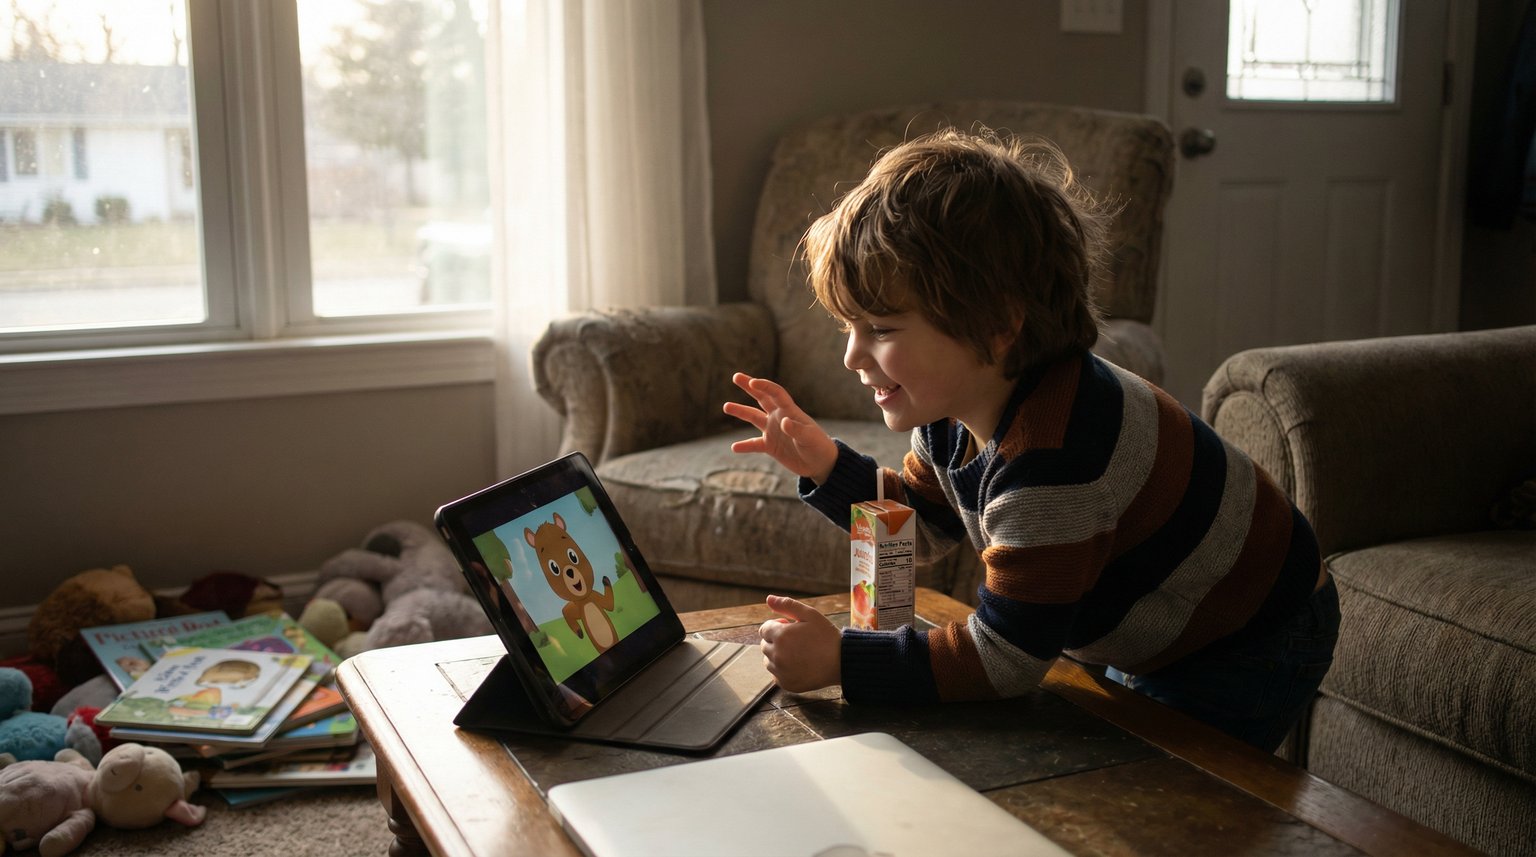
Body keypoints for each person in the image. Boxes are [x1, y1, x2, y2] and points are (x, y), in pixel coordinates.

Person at [723, 128, 1338, 752]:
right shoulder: (953, 410)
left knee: (1167, 786)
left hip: (1247, 637)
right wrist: (828, 468)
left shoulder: (1055, 465)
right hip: (1160, 613)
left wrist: (843, 662)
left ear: (996, 328)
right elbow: (928, 522)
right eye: (848, 326)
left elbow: (1004, 660)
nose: (853, 355)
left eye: (880, 327)